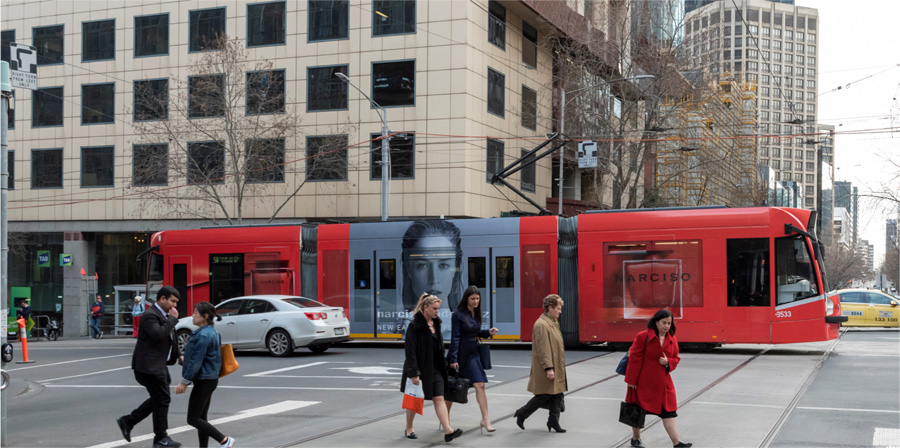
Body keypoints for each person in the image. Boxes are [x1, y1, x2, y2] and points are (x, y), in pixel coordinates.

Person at [117, 286, 183, 448]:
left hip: (158, 365)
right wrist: (173, 319)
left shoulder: (163, 314)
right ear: (162, 299)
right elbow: (158, 334)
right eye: (172, 301)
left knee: (159, 398)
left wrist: (178, 354)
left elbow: (170, 337)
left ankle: (129, 421)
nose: (174, 306)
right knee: (162, 399)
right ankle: (160, 437)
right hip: (148, 367)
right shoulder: (150, 315)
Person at [400, 293, 463, 443]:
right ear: (425, 307)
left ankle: (448, 430)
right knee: (415, 399)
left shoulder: (436, 324)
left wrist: (447, 363)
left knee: (439, 398)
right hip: (420, 368)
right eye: (434, 308)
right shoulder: (414, 326)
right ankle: (409, 427)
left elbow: (439, 346)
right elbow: (410, 351)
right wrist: (414, 373)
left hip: (436, 368)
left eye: (438, 309)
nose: (437, 311)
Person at [623, 309, 691, 448]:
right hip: (642, 383)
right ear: (656, 322)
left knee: (668, 412)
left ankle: (676, 443)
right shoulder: (643, 336)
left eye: (669, 323)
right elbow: (634, 359)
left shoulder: (672, 339)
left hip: (663, 384)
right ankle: (636, 439)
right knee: (637, 411)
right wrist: (632, 381)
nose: (666, 326)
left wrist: (668, 362)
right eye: (664, 323)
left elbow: (676, 359)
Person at [174, 302, 235, 448]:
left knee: (193, 418)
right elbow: (207, 357)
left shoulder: (202, 335)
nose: (193, 315)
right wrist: (184, 360)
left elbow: (196, 360)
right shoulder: (213, 332)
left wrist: (184, 382)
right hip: (210, 378)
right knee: (201, 418)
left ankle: (224, 440)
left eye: (195, 313)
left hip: (203, 380)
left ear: (205, 316)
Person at [446, 286, 499, 433]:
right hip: (460, 354)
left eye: (477, 298)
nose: (476, 301)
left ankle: (485, 420)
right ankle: (445, 419)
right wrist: (453, 358)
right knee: (452, 388)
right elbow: (455, 337)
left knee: (480, 385)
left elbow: (474, 333)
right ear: (466, 299)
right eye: (473, 299)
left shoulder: (476, 313)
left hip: (473, 353)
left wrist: (487, 333)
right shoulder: (457, 315)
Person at [514, 294, 567, 433]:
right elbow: (543, 348)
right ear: (550, 308)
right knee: (545, 394)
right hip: (548, 366)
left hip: (556, 364)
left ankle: (553, 421)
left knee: (558, 393)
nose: (560, 311)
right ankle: (522, 413)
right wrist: (548, 368)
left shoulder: (553, 322)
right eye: (558, 308)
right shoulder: (542, 324)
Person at [401, 220, 465, 313]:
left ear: (456, 269)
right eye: (422, 265)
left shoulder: (463, 322)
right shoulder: (404, 323)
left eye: (443, 265)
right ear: (409, 269)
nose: (434, 279)